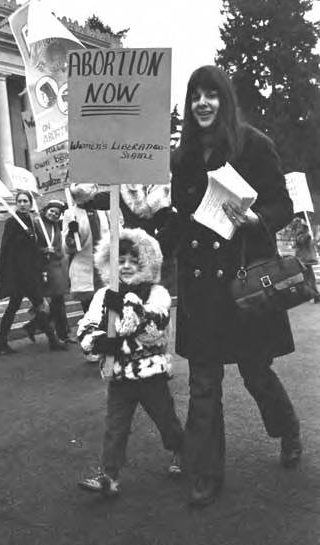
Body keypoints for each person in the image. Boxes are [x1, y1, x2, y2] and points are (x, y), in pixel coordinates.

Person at [169, 65, 301, 507]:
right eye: (195, 96)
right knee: (203, 382)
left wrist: (257, 220)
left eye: (211, 95)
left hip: (243, 284)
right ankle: (207, 472)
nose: (202, 103)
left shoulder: (254, 145)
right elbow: (174, 216)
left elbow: (282, 203)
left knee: (256, 372)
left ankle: (287, 428)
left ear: (225, 100)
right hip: (199, 289)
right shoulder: (182, 155)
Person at [77, 228, 183, 496]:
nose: (125, 266)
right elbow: (86, 328)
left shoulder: (157, 293)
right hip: (120, 374)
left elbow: (154, 332)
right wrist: (101, 341)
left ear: (145, 263)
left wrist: (126, 305)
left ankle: (181, 451)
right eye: (120, 260)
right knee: (115, 427)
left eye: (132, 260)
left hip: (150, 375)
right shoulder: (103, 295)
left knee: (166, 420)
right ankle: (109, 476)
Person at [0, 190, 62, 355]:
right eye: (20, 201)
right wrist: (26, 238)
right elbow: (10, 249)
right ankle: (52, 340)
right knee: (36, 306)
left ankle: (1, 343)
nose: (22, 204)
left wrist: (43, 248)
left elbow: (32, 249)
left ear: (31, 204)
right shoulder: (12, 222)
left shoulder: (31, 221)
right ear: (16, 204)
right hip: (19, 275)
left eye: (25, 201)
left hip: (30, 272)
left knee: (26, 307)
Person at [63, 184, 111, 361]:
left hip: (105, 267)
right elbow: (68, 249)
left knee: (107, 308)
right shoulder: (71, 213)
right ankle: (90, 347)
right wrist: (71, 233)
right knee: (90, 311)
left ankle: (107, 343)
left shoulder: (103, 211)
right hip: (84, 269)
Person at [23, 200, 72, 350]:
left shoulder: (57, 226)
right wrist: (44, 250)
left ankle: (37, 327)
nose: (54, 214)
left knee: (58, 301)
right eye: (51, 211)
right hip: (44, 267)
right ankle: (60, 335)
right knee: (55, 302)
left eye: (57, 213)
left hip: (57, 265)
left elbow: (60, 245)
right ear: (46, 210)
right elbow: (31, 247)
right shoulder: (37, 224)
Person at [292, 216, 320, 304]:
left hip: (306, 259)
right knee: (308, 278)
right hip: (303, 259)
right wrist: (309, 235)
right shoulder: (301, 230)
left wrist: (315, 237)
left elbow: (311, 243)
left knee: (310, 278)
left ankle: (315, 295)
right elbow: (300, 241)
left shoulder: (306, 230)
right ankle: (313, 295)